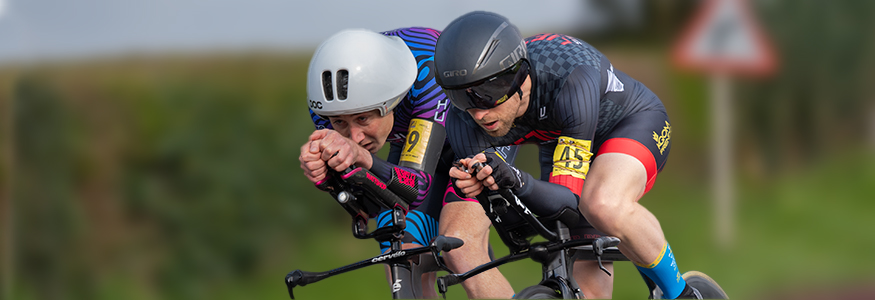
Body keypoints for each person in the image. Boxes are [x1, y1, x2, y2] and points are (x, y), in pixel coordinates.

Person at [434, 11, 725, 299]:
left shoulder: (568, 77)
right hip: (560, 139)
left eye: (488, 92)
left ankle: (682, 294)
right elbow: (516, 229)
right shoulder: (463, 120)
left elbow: (571, 204)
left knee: (602, 203)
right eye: (461, 96)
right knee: (586, 291)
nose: (479, 112)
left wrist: (518, 181)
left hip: (631, 123)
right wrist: (495, 189)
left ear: (519, 76)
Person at [299, 27, 453, 298]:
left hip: (472, 132)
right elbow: (368, 206)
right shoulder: (326, 107)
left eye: (363, 119)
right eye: (340, 123)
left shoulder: (427, 75)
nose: (354, 137)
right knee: (401, 253)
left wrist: (361, 157)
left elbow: (415, 189)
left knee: (466, 250)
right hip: (407, 134)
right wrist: (325, 177)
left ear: (391, 101)